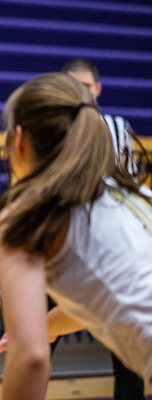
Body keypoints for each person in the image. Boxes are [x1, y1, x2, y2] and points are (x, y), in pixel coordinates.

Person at [0, 72, 152, 400]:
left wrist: (27, 340)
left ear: (19, 140)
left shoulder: (21, 214)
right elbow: (110, 293)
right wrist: (44, 327)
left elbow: (31, 358)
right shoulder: (124, 190)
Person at [61, 58, 144, 400]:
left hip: (110, 246)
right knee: (38, 337)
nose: (80, 93)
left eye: (86, 86)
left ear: (97, 89)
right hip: (67, 242)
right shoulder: (54, 128)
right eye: (73, 86)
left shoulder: (116, 127)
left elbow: (128, 184)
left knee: (127, 352)